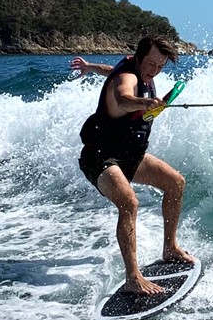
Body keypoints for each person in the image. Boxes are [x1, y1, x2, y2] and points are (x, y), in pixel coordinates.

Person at [72, 35, 193, 296]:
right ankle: (133, 278)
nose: (154, 70)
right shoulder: (128, 79)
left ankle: (170, 247)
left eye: (160, 66)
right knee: (130, 202)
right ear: (138, 56)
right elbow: (123, 95)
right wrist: (146, 103)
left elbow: (110, 71)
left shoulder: (135, 71)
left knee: (176, 183)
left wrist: (91, 67)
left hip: (130, 155)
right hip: (101, 156)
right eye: (150, 63)